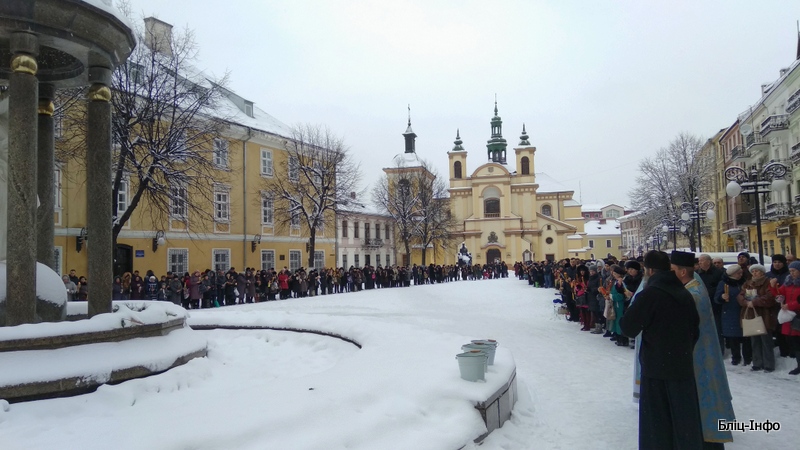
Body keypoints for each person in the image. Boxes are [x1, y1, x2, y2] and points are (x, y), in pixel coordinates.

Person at [619, 250, 703, 450]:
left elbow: (628, 327)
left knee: (657, 423)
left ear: (649, 271)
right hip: (682, 365)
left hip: (657, 368)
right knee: (684, 420)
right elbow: (695, 329)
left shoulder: (650, 294)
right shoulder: (684, 292)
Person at [671, 250, 735, 449]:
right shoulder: (694, 287)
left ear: (682, 272)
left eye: (672, 270)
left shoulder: (692, 294)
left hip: (699, 351)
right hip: (700, 348)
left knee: (703, 393)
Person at [737, 264, 777, 373]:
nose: (754, 273)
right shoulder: (748, 283)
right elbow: (740, 295)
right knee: (754, 340)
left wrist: (754, 302)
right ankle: (757, 362)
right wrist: (745, 302)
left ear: (762, 272)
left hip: (765, 315)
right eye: (753, 271)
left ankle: (769, 364)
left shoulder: (768, 282)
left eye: (757, 271)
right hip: (751, 314)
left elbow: (770, 297)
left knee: (766, 341)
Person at [713, 264, 751, 366]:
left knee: (746, 335)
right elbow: (716, 299)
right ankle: (736, 357)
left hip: (743, 311)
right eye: (738, 273)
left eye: (741, 273)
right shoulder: (723, 283)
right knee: (733, 336)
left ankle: (747, 357)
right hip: (730, 312)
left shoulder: (743, 282)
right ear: (732, 274)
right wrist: (722, 297)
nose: (740, 275)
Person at [768, 260, 800, 375]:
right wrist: (772, 287)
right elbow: (779, 294)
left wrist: (790, 305)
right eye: (790, 271)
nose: (791, 273)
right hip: (790, 317)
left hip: (796, 314)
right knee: (795, 342)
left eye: (794, 271)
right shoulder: (788, 283)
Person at [697, 254, 725, 354]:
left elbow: (721, 288)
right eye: (699, 261)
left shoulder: (718, 273)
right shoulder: (697, 274)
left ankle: (719, 350)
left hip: (715, 305)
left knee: (717, 328)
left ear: (708, 262)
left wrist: (709, 292)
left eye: (701, 260)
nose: (699, 262)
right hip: (702, 305)